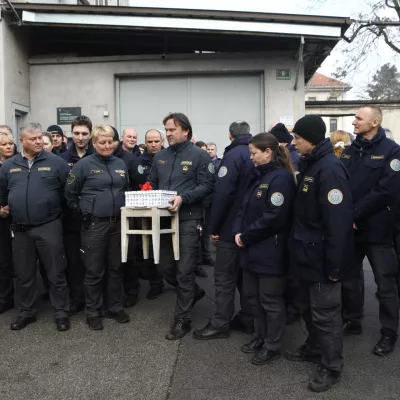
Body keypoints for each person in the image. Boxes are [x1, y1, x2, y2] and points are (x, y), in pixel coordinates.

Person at [285, 115, 353, 393]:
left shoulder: (330, 169)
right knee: (310, 310)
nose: (294, 142)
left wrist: (334, 266)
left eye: (298, 138)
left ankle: (332, 366)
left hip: (323, 258)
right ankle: (314, 349)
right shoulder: (312, 163)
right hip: (307, 255)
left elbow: (337, 223)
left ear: (310, 138)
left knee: (326, 314)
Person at [149, 112, 214, 340]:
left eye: (171, 130)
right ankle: (194, 292)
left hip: (188, 219)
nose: (167, 134)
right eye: (165, 130)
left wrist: (183, 198)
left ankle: (182, 319)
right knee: (165, 267)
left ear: (185, 130)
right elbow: (153, 185)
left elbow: (207, 186)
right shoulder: (160, 157)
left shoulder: (200, 156)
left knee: (184, 270)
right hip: (164, 221)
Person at [341, 105, 400, 356]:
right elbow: (340, 185)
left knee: (385, 283)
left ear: (374, 122)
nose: (353, 122)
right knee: (350, 278)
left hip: (379, 230)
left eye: (358, 118)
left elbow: (385, 191)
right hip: (351, 229)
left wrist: (354, 214)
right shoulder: (349, 151)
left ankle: (389, 332)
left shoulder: (392, 152)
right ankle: (353, 320)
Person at [0, 122, 71, 331]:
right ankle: (27, 312)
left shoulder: (57, 163)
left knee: (55, 272)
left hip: (48, 226)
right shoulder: (8, 166)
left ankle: (61, 313)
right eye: (33, 138)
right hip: (20, 229)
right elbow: (3, 194)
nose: (39, 141)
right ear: (22, 141)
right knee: (24, 274)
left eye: (40, 137)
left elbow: (67, 194)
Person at [233, 133, 296, 365]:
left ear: (267, 152)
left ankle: (272, 344)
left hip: (270, 250)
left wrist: (246, 236)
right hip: (250, 248)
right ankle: (260, 336)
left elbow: (274, 217)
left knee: (270, 299)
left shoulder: (281, 179)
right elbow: (243, 208)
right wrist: (238, 231)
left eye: (253, 153)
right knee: (253, 297)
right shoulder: (257, 176)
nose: (251, 157)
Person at [193, 121, 255, 340]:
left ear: (230, 135)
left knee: (224, 277)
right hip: (252, 228)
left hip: (230, 227)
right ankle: (248, 319)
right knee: (245, 278)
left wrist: (214, 226)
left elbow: (223, 194)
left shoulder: (232, 156)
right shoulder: (256, 152)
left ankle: (220, 323)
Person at [65, 125, 130, 330]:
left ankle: (115, 307)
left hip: (118, 223)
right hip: (94, 225)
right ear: (94, 143)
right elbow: (69, 194)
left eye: (110, 141)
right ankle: (93, 311)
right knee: (94, 270)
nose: (107, 145)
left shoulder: (120, 164)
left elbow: (125, 189)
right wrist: (84, 211)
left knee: (116, 267)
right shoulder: (83, 165)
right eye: (102, 142)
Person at [123, 128, 165, 305]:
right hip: (143, 212)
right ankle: (156, 282)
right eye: (150, 142)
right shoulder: (138, 161)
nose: (153, 144)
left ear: (162, 141)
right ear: (145, 143)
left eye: (156, 141)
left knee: (166, 249)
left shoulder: (170, 158)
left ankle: (176, 281)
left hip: (167, 209)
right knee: (144, 249)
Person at [60, 115, 94, 315]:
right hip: (71, 221)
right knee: (73, 262)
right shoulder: (61, 159)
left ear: (90, 135)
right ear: (71, 134)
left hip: (94, 221)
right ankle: (77, 298)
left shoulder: (97, 156)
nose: (80, 137)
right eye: (76, 133)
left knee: (93, 262)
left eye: (84, 134)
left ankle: (96, 300)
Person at [0, 129, 15, 313]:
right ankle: (5, 297)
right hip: (1, 219)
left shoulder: (17, 163)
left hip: (18, 216)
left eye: (10, 143)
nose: (8, 146)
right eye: (4, 144)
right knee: (3, 260)